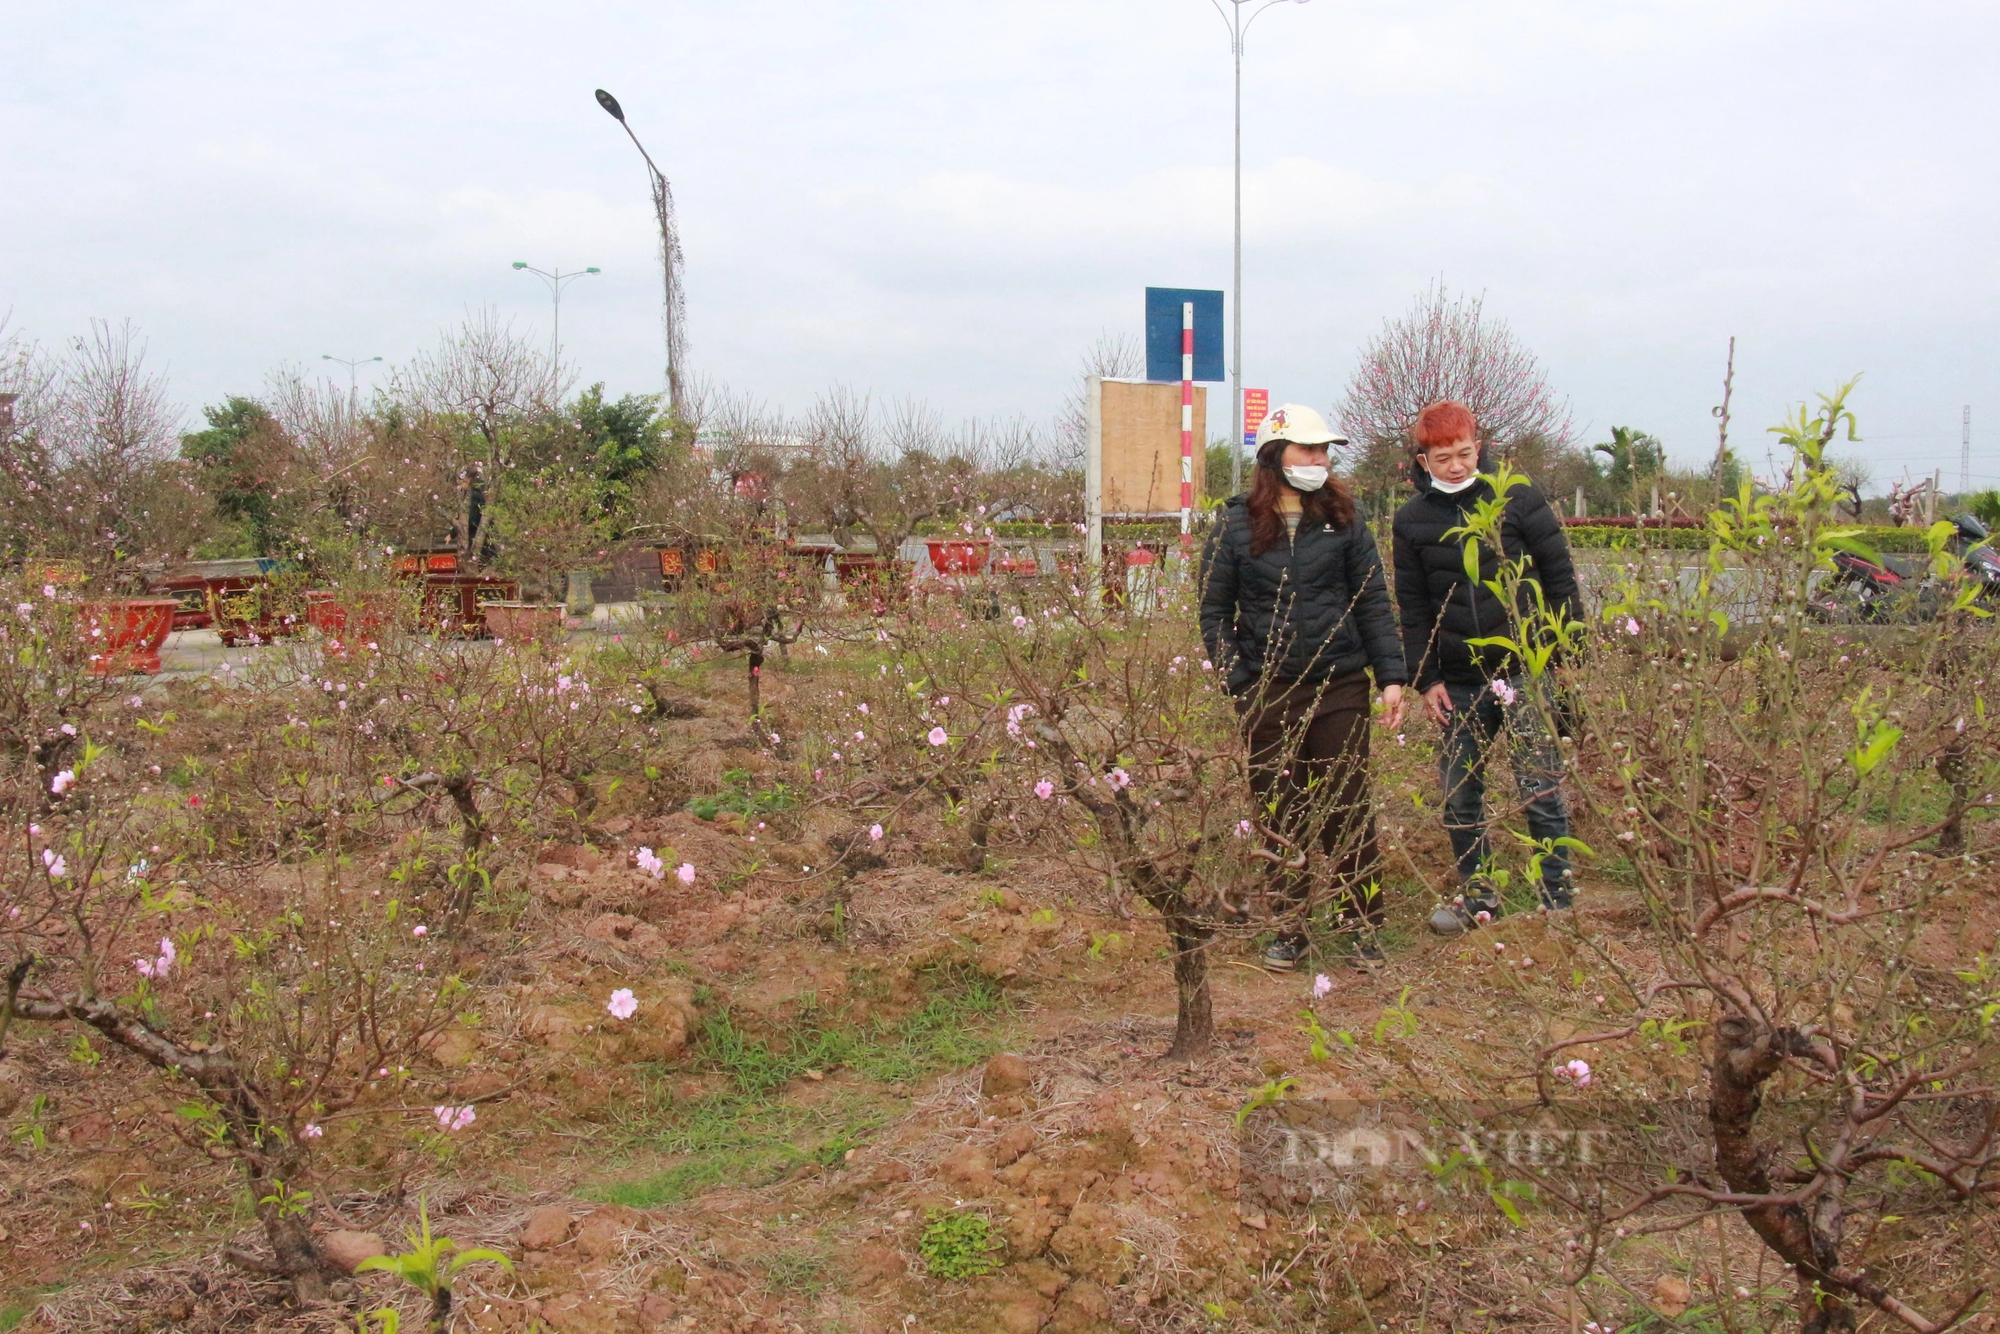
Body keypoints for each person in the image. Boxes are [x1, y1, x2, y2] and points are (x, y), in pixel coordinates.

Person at [1200, 403, 1408, 970]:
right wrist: (1240, 680)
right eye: (1306, 450)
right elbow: (1214, 610)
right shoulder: (1236, 525)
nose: (1318, 459)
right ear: (1276, 456)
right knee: (1278, 810)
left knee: (1347, 805)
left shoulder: (1345, 519)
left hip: (1340, 683)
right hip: (1268, 689)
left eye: (1323, 451)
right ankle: (1289, 926)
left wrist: (1391, 677)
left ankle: (1361, 924)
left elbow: (1372, 600)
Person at [1391, 400, 1581, 934]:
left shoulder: (1516, 498)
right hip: (1460, 680)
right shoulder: (1411, 521)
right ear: (1423, 460)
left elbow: (1559, 576)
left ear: (1481, 447)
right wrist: (1425, 678)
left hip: (1526, 668)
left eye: (1465, 453)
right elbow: (1412, 606)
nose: (1456, 465)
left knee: (1538, 786)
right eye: (1444, 457)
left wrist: (1568, 658)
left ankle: (1558, 898)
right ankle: (1480, 898)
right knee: (1460, 793)